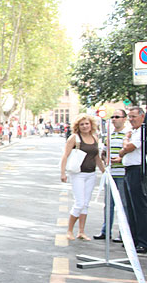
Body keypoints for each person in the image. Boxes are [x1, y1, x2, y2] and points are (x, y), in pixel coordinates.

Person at [60, 114, 105, 241]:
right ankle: (69, 230)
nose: (85, 126)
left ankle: (81, 231)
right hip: (78, 174)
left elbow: (96, 157)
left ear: (91, 125)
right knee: (79, 203)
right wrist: (63, 173)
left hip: (91, 174)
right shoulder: (74, 138)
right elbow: (65, 155)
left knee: (85, 204)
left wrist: (104, 171)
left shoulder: (94, 137)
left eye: (87, 124)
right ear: (78, 126)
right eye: (82, 124)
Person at [112, 106, 147, 254]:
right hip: (129, 169)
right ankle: (134, 239)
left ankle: (143, 241)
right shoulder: (134, 132)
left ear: (142, 117)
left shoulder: (141, 132)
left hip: (137, 170)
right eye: (130, 117)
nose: (131, 119)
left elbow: (128, 147)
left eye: (134, 116)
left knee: (139, 206)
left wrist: (125, 142)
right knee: (131, 207)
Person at [94, 109, 129, 241]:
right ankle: (105, 231)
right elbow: (103, 152)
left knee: (123, 205)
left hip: (123, 173)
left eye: (117, 117)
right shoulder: (109, 135)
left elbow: (130, 152)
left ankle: (123, 233)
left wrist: (121, 159)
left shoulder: (128, 134)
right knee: (108, 204)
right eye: (112, 117)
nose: (114, 119)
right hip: (110, 173)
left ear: (124, 119)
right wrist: (105, 160)